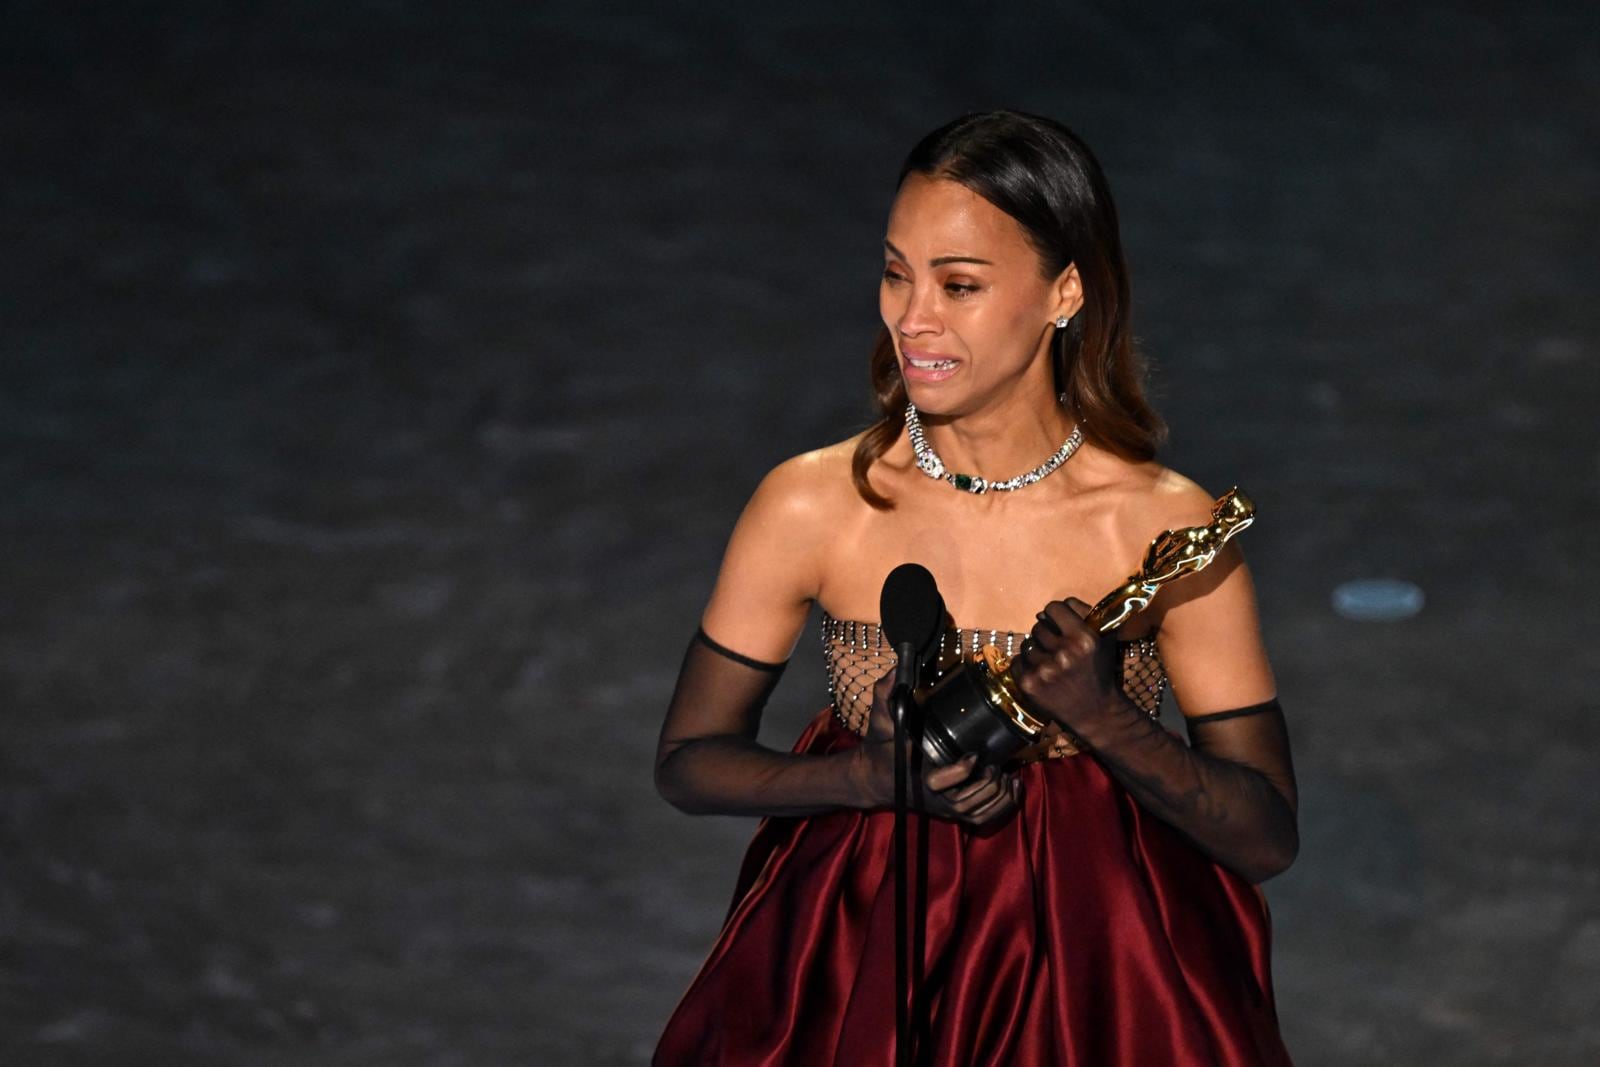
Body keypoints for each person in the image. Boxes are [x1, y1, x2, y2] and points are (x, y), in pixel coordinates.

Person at [653, 110, 1298, 1065]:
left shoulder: (1158, 526)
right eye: (895, 273)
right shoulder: (813, 504)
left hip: (1103, 990)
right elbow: (689, 759)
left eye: (959, 284)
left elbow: (1265, 835)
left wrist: (1107, 720)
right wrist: (861, 778)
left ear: (1065, 290)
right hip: (862, 968)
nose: (913, 318)